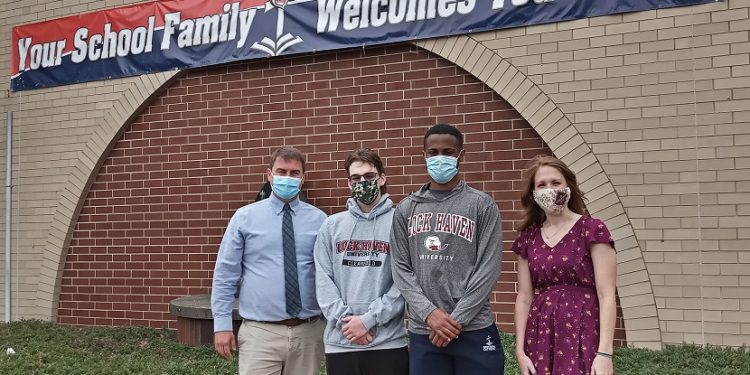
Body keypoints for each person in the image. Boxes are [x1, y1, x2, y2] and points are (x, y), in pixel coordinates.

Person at [390, 124, 505, 375]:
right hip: (425, 330)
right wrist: (430, 314)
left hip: (474, 327)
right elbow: (400, 267)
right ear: (424, 155)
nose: (439, 157)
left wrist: (456, 320)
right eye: (433, 152)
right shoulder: (407, 208)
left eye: (448, 151)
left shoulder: (481, 205)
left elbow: (488, 268)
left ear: (461, 155)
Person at [211, 146, 327, 375]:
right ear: (269, 175)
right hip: (259, 335)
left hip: (308, 332)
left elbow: (328, 274)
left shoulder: (320, 220)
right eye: (281, 171)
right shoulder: (244, 218)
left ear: (303, 178)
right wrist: (222, 325)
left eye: (294, 173)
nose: (288, 177)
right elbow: (226, 273)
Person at [512, 154, 617, 375]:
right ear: (533, 194)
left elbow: (607, 295)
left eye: (556, 182)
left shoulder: (592, 230)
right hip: (541, 335)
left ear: (568, 185)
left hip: (584, 331)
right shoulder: (528, 238)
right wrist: (520, 352)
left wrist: (605, 354)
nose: (549, 189)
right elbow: (524, 297)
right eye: (542, 185)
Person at [314, 148, 409, 375]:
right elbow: (323, 279)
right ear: (349, 183)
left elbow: (405, 281)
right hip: (341, 342)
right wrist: (347, 322)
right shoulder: (331, 226)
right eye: (356, 178)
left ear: (382, 178)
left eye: (369, 176)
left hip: (388, 342)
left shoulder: (400, 222)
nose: (362, 182)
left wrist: (368, 320)